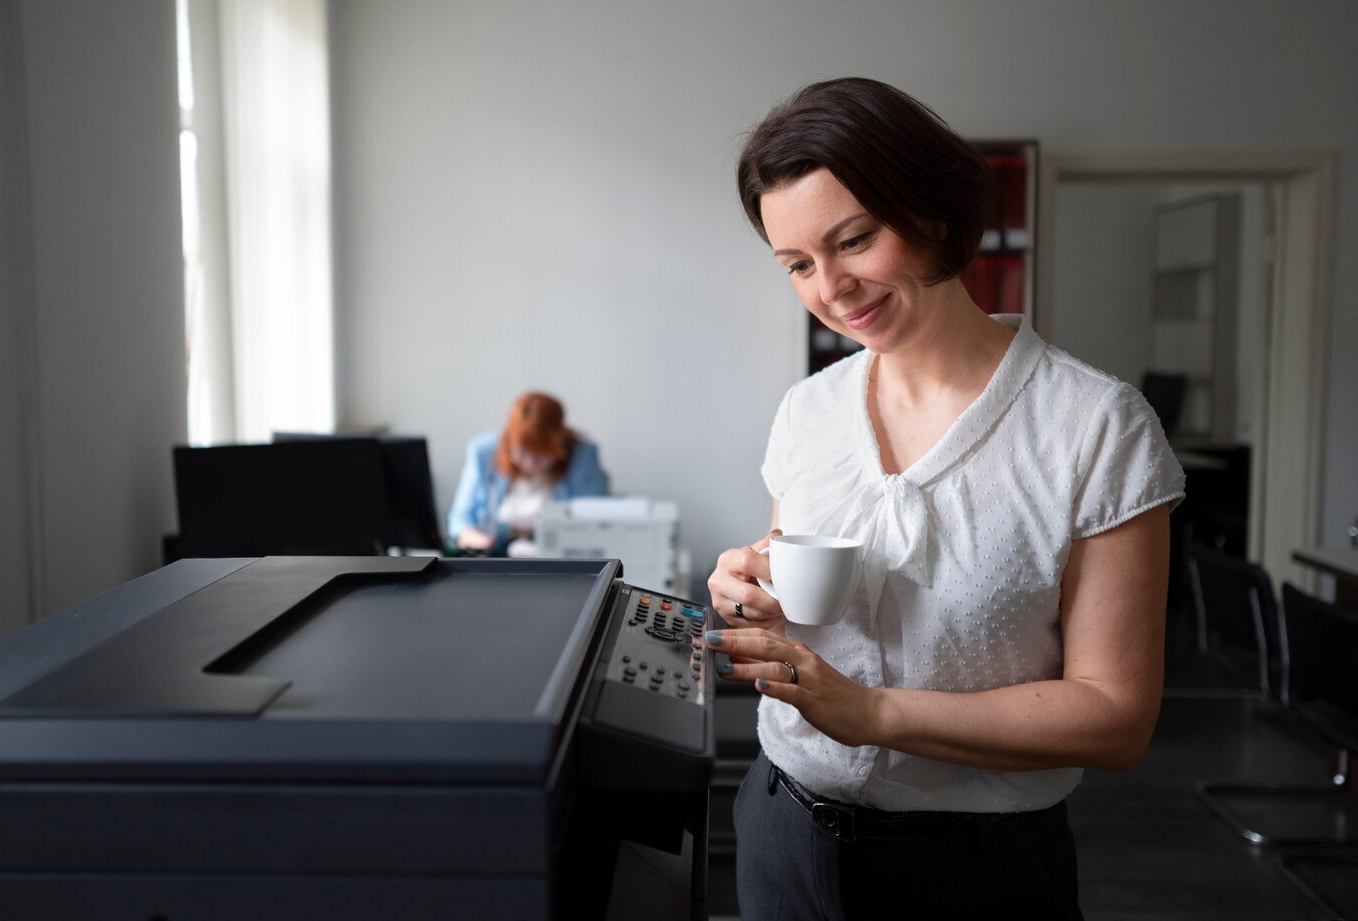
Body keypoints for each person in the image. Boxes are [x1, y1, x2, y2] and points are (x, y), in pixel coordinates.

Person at [706, 77, 1185, 920]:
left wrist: (874, 712)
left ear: (930, 212)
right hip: (783, 831)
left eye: (854, 240)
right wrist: (752, 589)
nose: (831, 288)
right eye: (797, 265)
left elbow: (1116, 717)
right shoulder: (809, 411)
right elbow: (793, 588)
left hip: (976, 869)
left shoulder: (1095, 426)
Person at [447, 392, 609, 555]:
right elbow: (460, 519)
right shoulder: (484, 452)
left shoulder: (582, 455)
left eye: (540, 456)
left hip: (558, 559)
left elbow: (596, 521)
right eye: (521, 454)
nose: (529, 463)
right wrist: (477, 540)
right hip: (495, 557)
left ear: (559, 445)